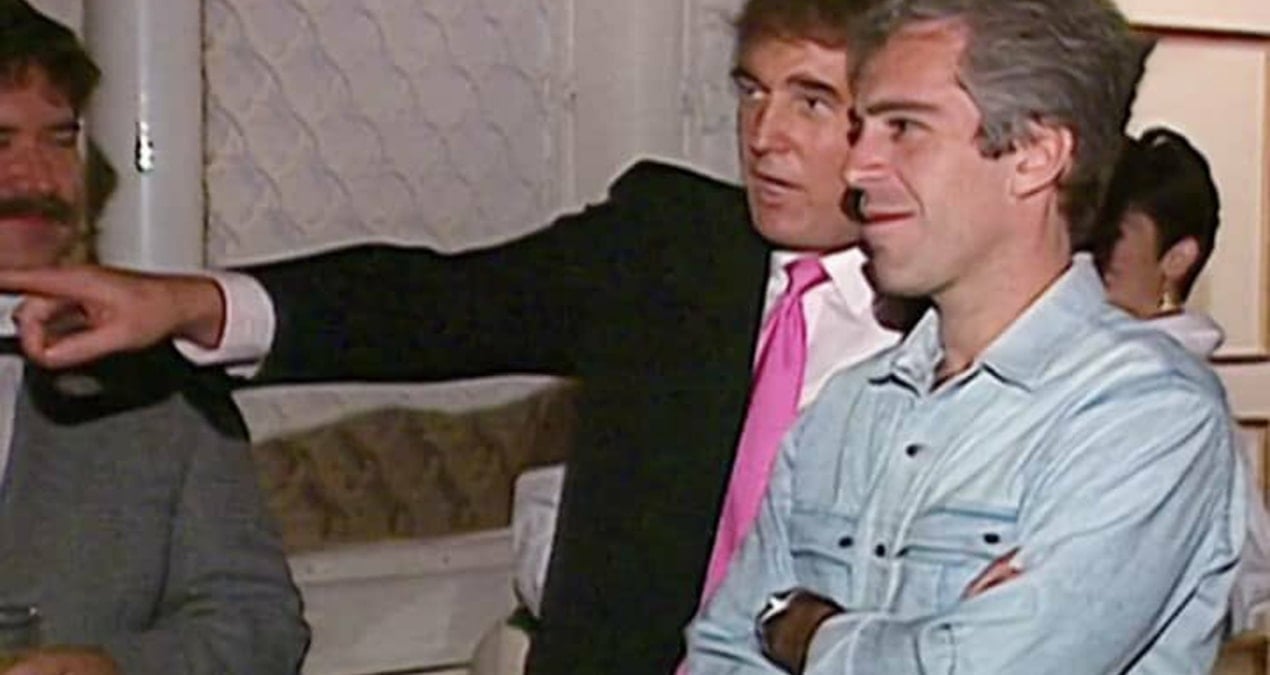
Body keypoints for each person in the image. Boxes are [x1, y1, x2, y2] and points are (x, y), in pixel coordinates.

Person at [0, 1, 901, 671]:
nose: (765, 136)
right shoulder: (666, 250)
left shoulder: (958, 325)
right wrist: (188, 303)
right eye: (752, 91)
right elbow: (427, 303)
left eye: (813, 102)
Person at [687, 0, 1244, 672]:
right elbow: (720, 651)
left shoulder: (1146, 415)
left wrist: (805, 632)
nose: (858, 168)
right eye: (861, 129)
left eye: (904, 128)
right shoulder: (846, 407)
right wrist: (926, 643)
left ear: (1035, 155)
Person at [0, 3, 309, 673]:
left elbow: (256, 622)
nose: (38, 179)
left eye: (59, 139)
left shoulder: (157, 383)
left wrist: (115, 666)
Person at [1091, 126, 1270, 633]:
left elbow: (1248, 575)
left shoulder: (1174, 396)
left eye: (1115, 233)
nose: (1094, 252)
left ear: (1178, 257)